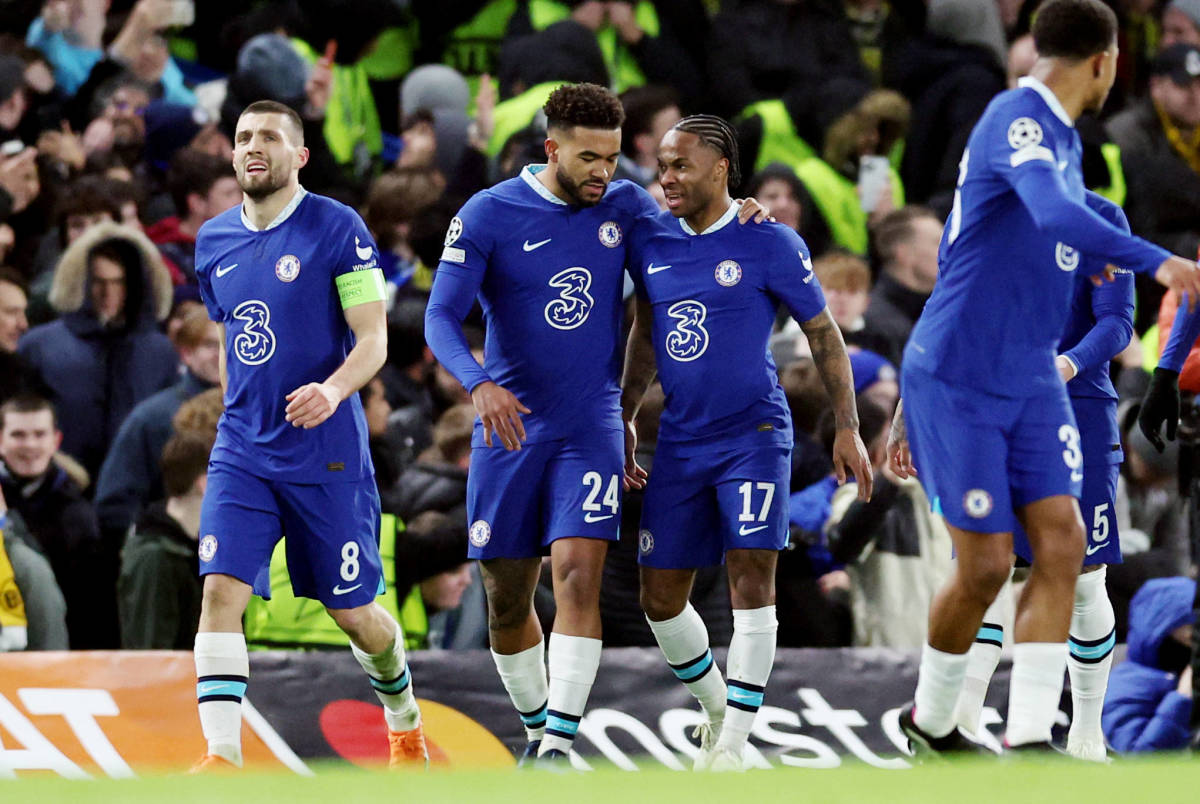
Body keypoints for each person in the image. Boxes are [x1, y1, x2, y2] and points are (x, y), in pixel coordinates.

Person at [886, 0, 1200, 755]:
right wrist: (1155, 259)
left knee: (1063, 546)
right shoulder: (1014, 116)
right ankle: (931, 720)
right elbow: (1053, 213)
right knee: (987, 565)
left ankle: (1031, 738)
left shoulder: (1061, 144)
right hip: (960, 372)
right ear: (1108, 62)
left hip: (1031, 378)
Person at [424, 83, 764, 765]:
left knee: (578, 573)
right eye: (587, 158)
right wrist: (480, 384)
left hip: (591, 424)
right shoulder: (489, 214)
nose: (602, 172)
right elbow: (440, 316)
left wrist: (735, 219)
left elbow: (687, 252)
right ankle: (534, 731)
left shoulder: (626, 205)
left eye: (611, 157)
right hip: (511, 428)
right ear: (551, 149)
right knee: (506, 596)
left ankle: (558, 742)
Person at [620, 115, 872, 771]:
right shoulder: (650, 240)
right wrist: (623, 411)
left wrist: (847, 425)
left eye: (680, 165)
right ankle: (716, 712)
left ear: (720, 169)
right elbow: (646, 334)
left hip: (754, 433)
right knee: (659, 598)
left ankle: (733, 742)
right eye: (662, 166)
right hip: (679, 438)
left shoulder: (770, 241)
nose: (666, 177)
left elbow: (822, 334)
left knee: (750, 575)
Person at [191, 100, 427, 771]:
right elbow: (231, 335)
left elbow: (374, 339)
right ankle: (222, 759)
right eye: (242, 138)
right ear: (231, 154)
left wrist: (331, 390)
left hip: (324, 454)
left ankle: (403, 720)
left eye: (269, 136)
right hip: (242, 446)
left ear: (300, 156)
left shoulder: (337, 227)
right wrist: (235, 403)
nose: (252, 147)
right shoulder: (213, 240)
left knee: (353, 613)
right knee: (219, 590)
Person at [953, 196, 1136, 761]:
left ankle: (1086, 733)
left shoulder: (1100, 217)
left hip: (1077, 407)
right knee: (983, 568)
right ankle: (958, 726)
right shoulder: (983, 212)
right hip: (994, 408)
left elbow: (1117, 321)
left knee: (1084, 576)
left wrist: (1065, 364)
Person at [94, 307, 220, 546]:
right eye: (210, 345)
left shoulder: (258, 410)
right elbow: (115, 504)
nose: (221, 354)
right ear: (186, 353)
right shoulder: (151, 418)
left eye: (228, 344)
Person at [0, 394, 108, 648]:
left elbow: (92, 605)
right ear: (0, 440)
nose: (29, 445)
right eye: (18, 435)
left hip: (57, 652)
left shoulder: (79, 513)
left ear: (55, 441)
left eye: (39, 434)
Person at [118, 430, 211, 650]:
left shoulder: (188, 546)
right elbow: (151, 654)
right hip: (167, 682)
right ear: (205, 483)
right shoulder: (155, 557)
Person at [1102, 575, 1196, 752]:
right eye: (1192, 625)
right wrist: (1183, 698)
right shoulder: (1128, 684)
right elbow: (1138, 756)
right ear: (1162, 624)